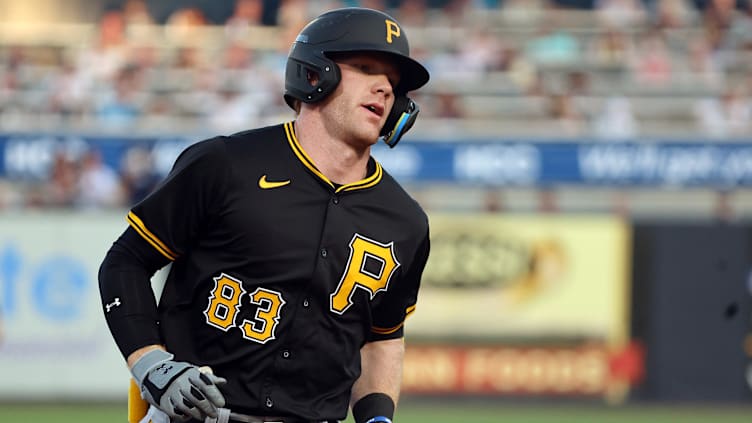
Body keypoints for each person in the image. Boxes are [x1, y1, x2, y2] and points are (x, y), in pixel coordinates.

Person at [98, 7, 431, 423]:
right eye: (366, 68)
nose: (384, 88)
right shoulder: (226, 164)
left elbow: (381, 339)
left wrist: (378, 418)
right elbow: (125, 262)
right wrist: (151, 364)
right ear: (314, 75)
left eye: (393, 83)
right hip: (196, 415)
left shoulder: (405, 221)